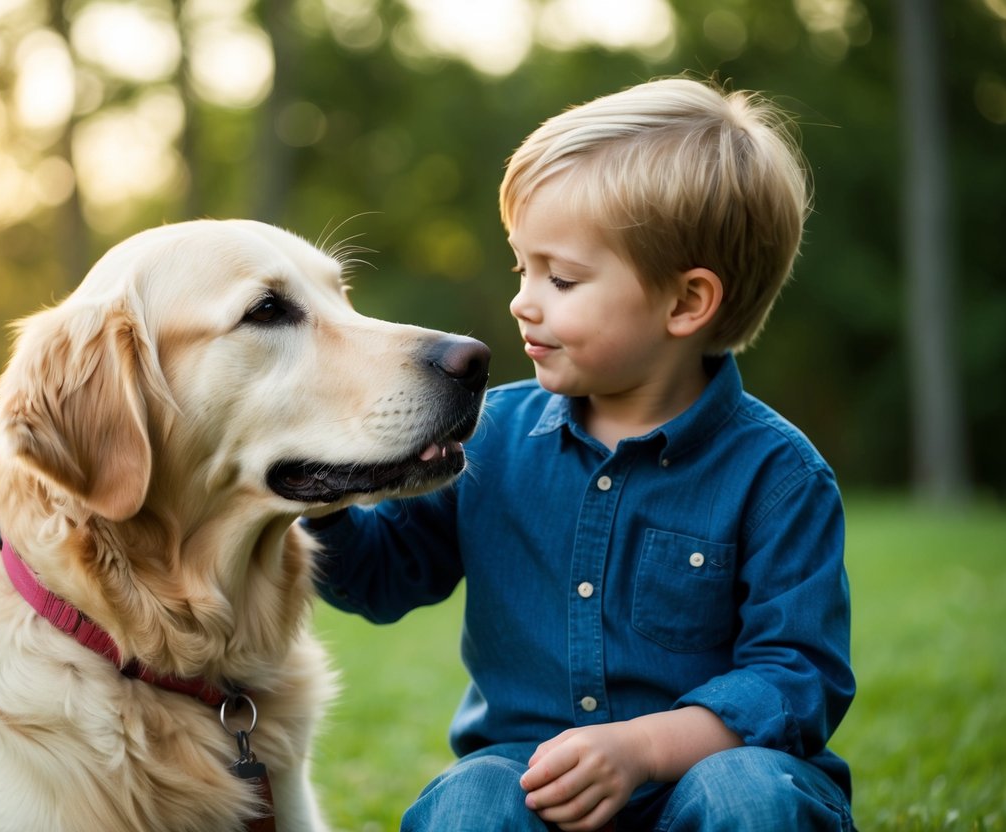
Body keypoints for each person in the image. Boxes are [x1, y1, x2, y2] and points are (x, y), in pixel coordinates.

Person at [305, 77, 856, 831]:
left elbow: (796, 678)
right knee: (472, 797)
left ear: (685, 303)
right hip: (539, 794)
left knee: (748, 794)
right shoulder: (491, 437)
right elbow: (382, 575)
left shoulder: (777, 477)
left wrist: (643, 748)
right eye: (520, 269)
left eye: (560, 278)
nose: (523, 301)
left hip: (702, 788)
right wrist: (320, 488)